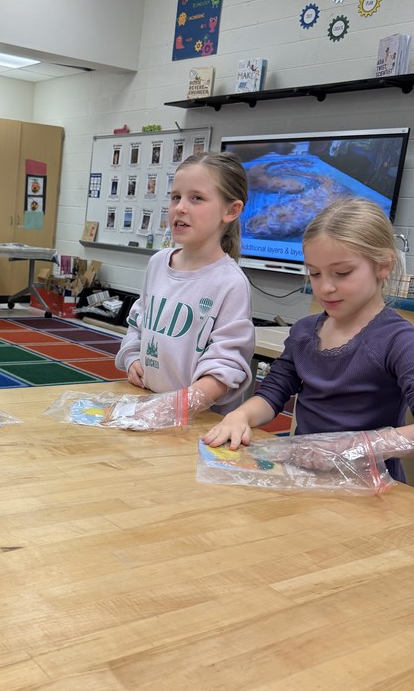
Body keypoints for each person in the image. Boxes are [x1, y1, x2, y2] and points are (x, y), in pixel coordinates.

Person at [203, 197, 414, 481]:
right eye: (314, 273)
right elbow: (272, 393)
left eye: (342, 273)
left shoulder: (398, 340)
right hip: (305, 478)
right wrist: (241, 416)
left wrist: (357, 446)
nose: (325, 287)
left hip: (369, 489)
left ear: (383, 265)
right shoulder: (304, 332)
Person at [115, 151, 255, 412]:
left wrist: (179, 406)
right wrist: (133, 357)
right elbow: (138, 324)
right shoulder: (158, 263)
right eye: (175, 197)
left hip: (197, 420)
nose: (180, 207)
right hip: (149, 403)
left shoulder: (230, 282)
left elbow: (227, 365)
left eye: (197, 198)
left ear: (231, 210)